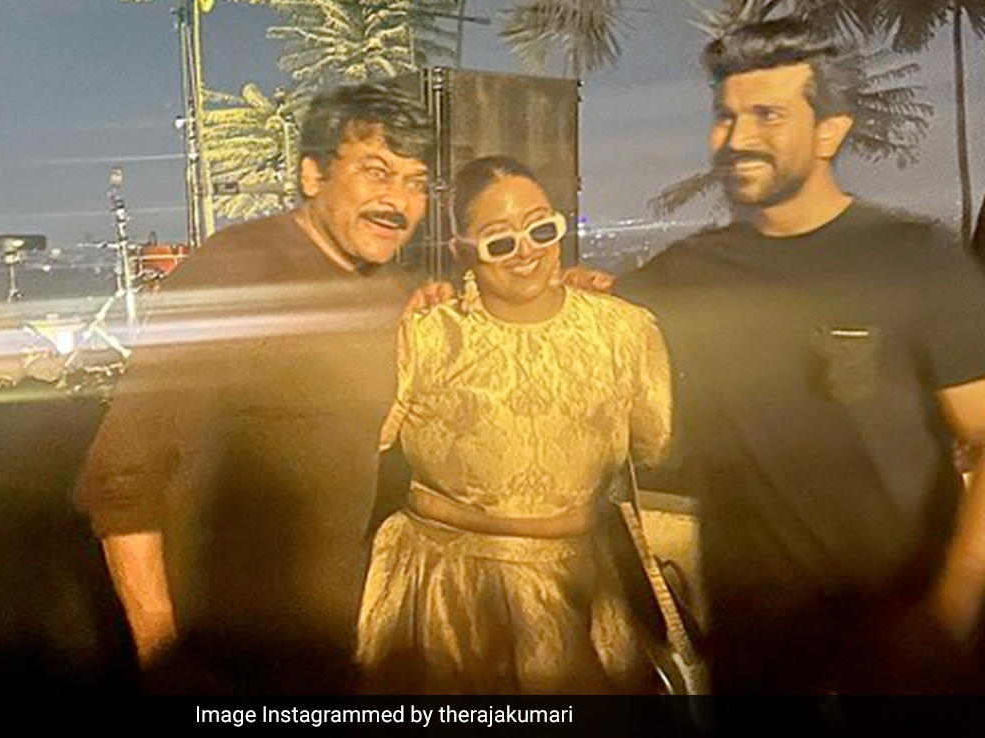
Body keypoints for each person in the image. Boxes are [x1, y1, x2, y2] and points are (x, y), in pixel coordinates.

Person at [611, 18, 985, 693]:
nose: (737, 138)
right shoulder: (688, 272)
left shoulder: (914, 260)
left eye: (768, 114)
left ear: (830, 131)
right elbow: (576, 321)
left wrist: (954, 603)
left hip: (903, 646)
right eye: (726, 116)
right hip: (755, 653)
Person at [73, 80, 433, 693]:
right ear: (313, 175)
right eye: (376, 172)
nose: (398, 200)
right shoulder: (236, 272)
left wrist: (577, 290)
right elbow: (121, 475)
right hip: (224, 652)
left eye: (416, 182)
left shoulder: (392, 290)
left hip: (331, 640)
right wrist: (164, 658)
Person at [355, 156, 672, 694]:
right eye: (499, 241)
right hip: (443, 597)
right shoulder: (423, 336)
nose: (526, 250)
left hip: (580, 590)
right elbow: (368, 438)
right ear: (461, 250)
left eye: (541, 229)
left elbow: (654, 443)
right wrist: (386, 319)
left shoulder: (627, 330)